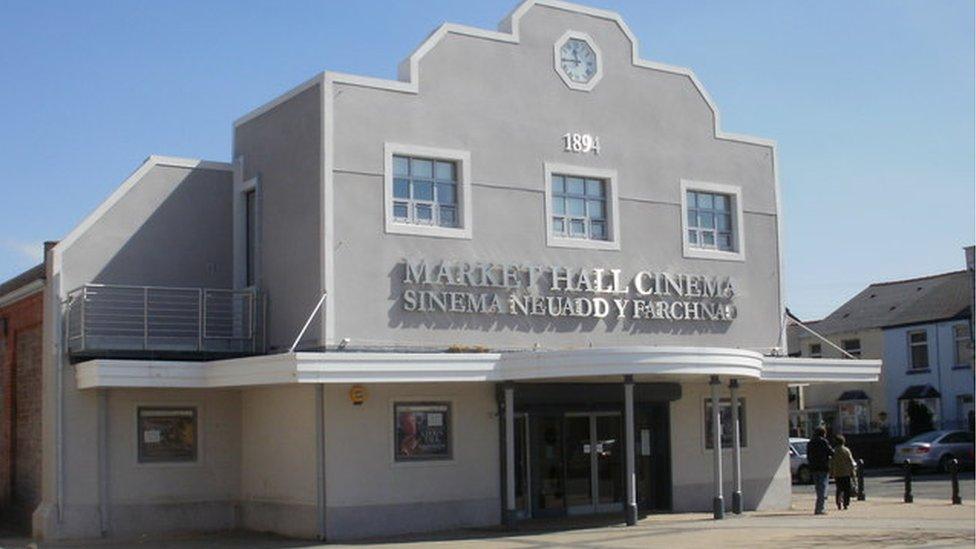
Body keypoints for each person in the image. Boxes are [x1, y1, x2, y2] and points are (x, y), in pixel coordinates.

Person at [806, 426, 834, 515]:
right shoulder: (823, 442)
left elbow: (808, 455)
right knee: (823, 488)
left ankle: (819, 507)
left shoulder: (810, 442)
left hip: (814, 468)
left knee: (818, 488)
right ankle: (820, 508)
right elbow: (831, 452)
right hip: (823, 467)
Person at [830, 434, 856, 510]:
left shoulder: (834, 451)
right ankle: (846, 503)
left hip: (837, 473)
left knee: (839, 488)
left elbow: (831, 462)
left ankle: (838, 502)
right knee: (846, 489)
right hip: (846, 472)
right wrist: (852, 471)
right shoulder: (846, 450)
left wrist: (831, 471)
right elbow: (851, 461)